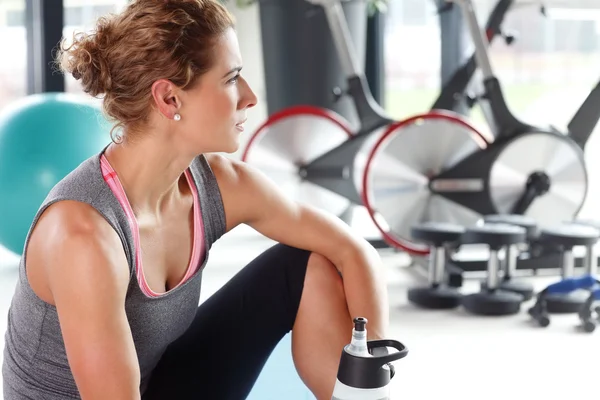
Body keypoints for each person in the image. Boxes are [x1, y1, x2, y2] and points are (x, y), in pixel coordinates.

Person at [2, 0, 389, 399]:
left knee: (307, 264)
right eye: (231, 78)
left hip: (154, 386)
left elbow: (351, 250)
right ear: (169, 99)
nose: (250, 97)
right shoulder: (84, 235)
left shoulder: (218, 184)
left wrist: (370, 373)